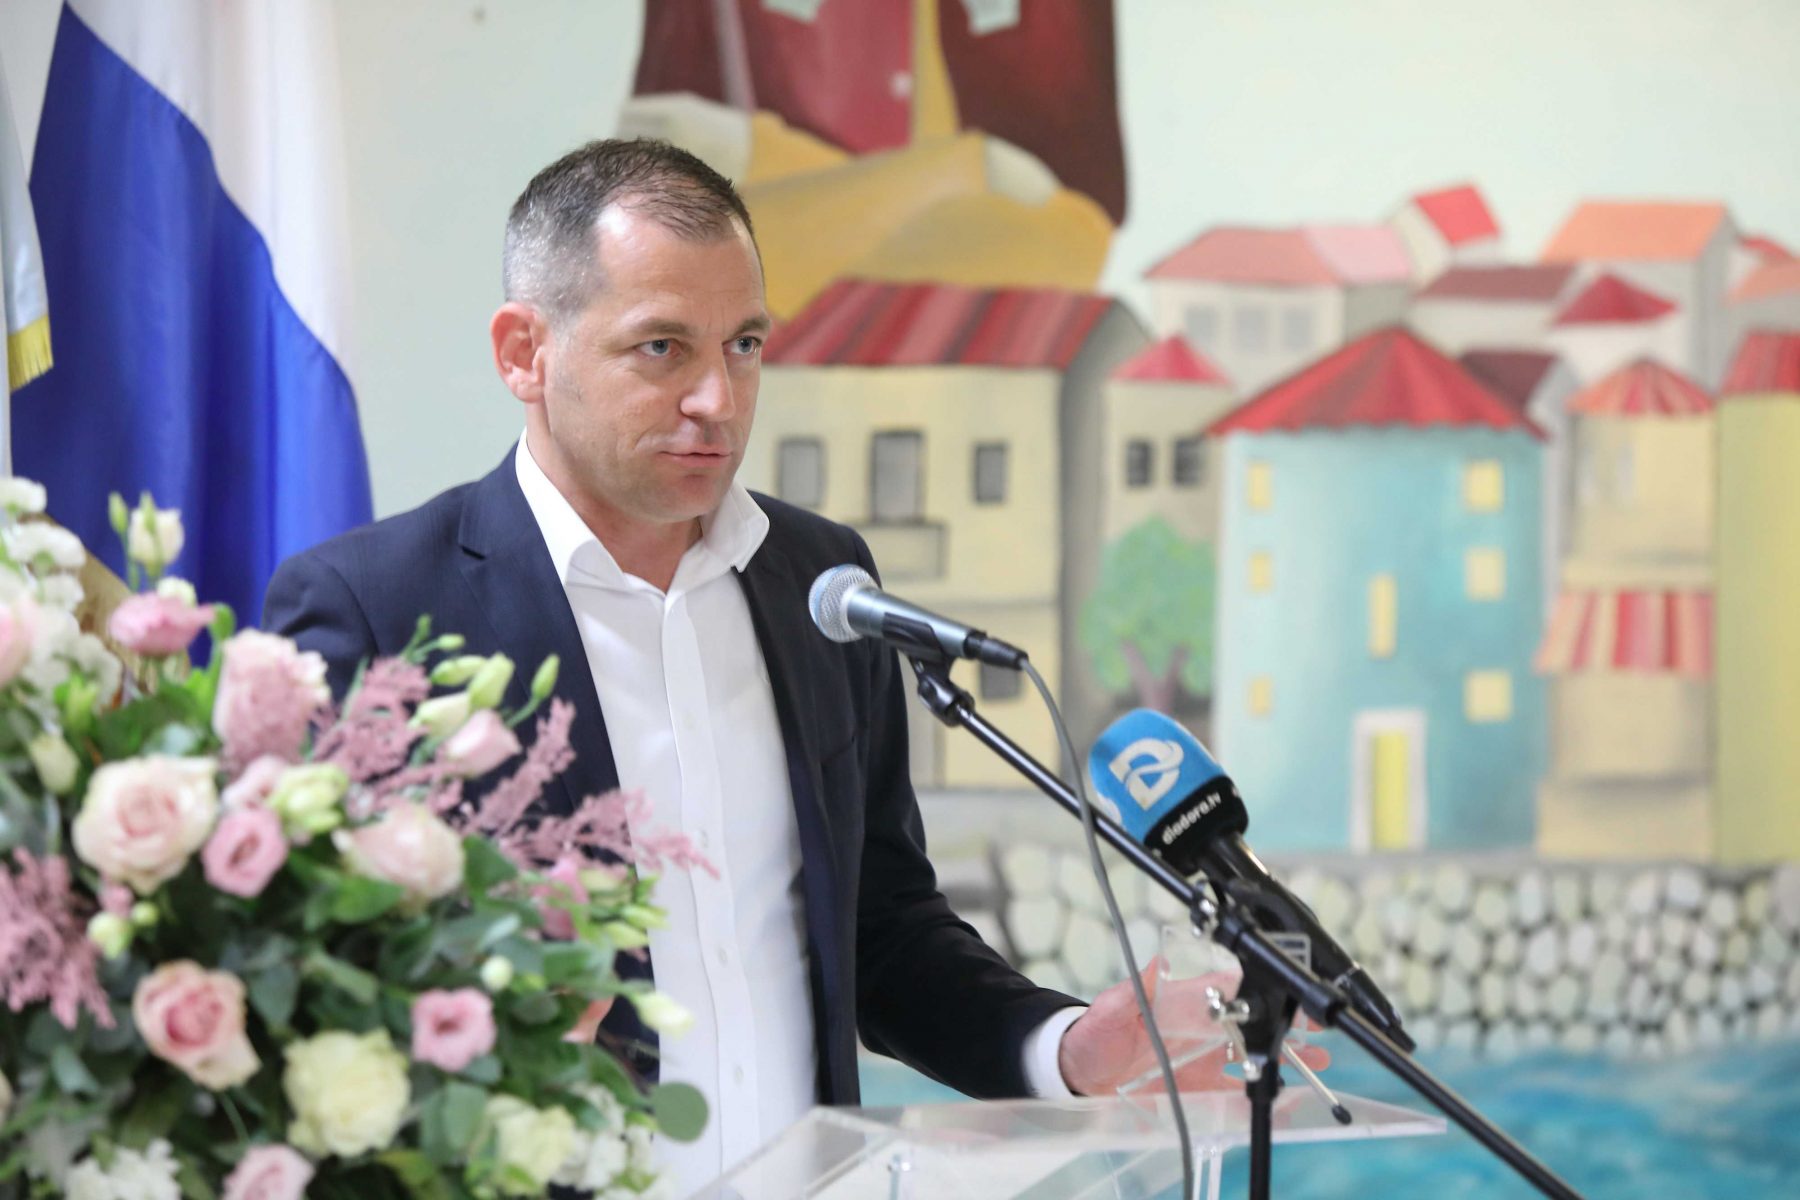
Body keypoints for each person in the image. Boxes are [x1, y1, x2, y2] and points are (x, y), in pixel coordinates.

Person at [263, 138, 1283, 1196]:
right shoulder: (377, 611)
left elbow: (883, 932)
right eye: (662, 348)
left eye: (745, 344)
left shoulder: (824, 584)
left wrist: (1064, 1048)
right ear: (525, 352)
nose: (717, 397)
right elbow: (309, 1000)